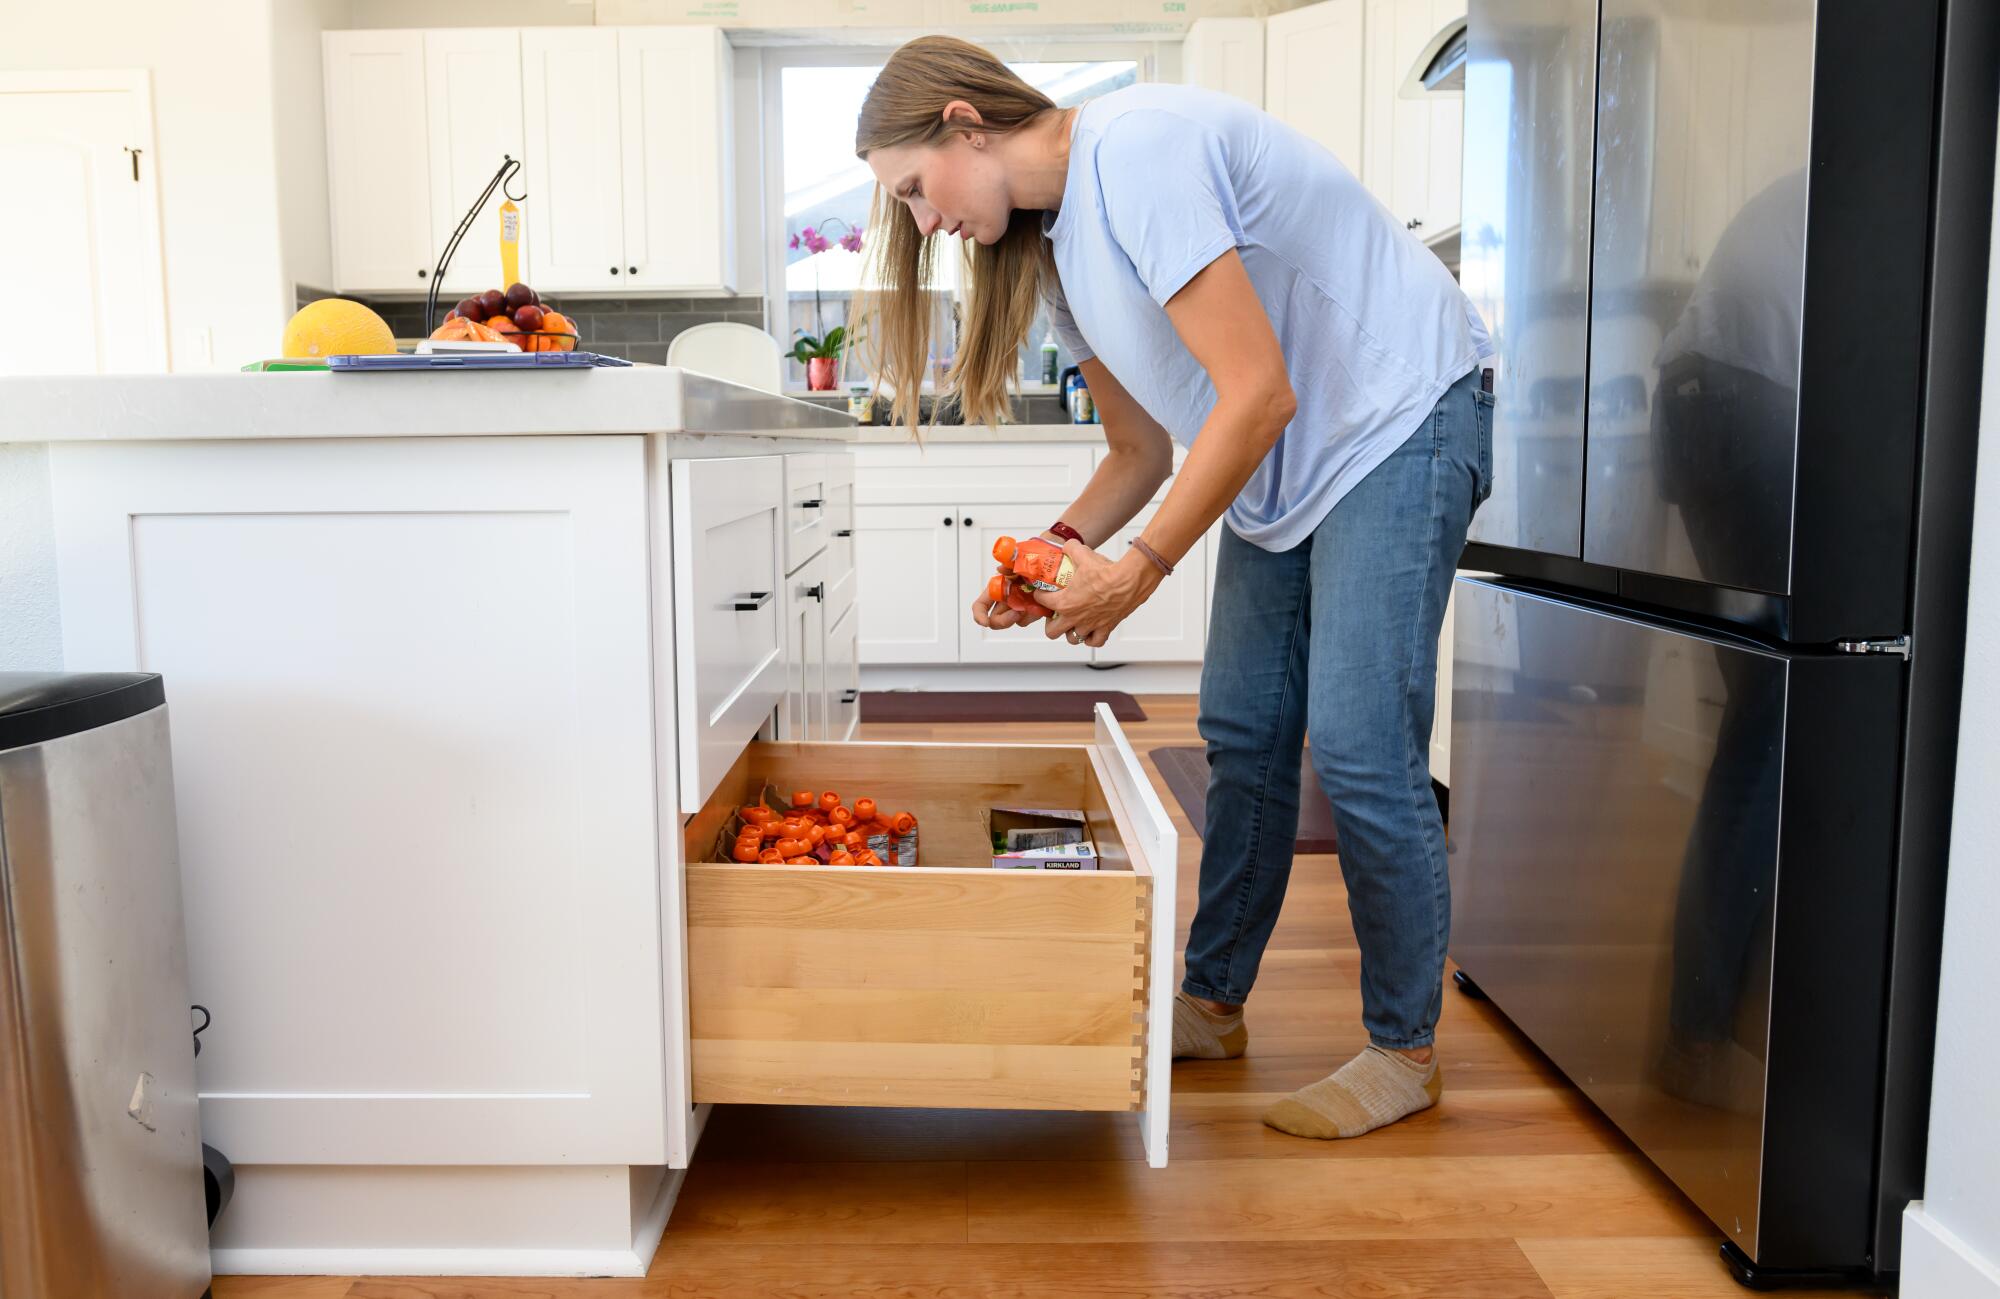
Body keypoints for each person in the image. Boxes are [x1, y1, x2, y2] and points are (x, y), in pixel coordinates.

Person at [857, 36, 1492, 1139]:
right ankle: (1213, 1001)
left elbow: (1256, 393)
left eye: (915, 190)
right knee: (1242, 732)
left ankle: (1403, 1049)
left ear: (963, 123)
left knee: (1352, 742)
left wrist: (1136, 570)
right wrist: (1050, 555)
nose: (924, 221)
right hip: (1290, 457)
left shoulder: (1136, 152)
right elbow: (1141, 452)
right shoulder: (1052, 256)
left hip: (1398, 417)